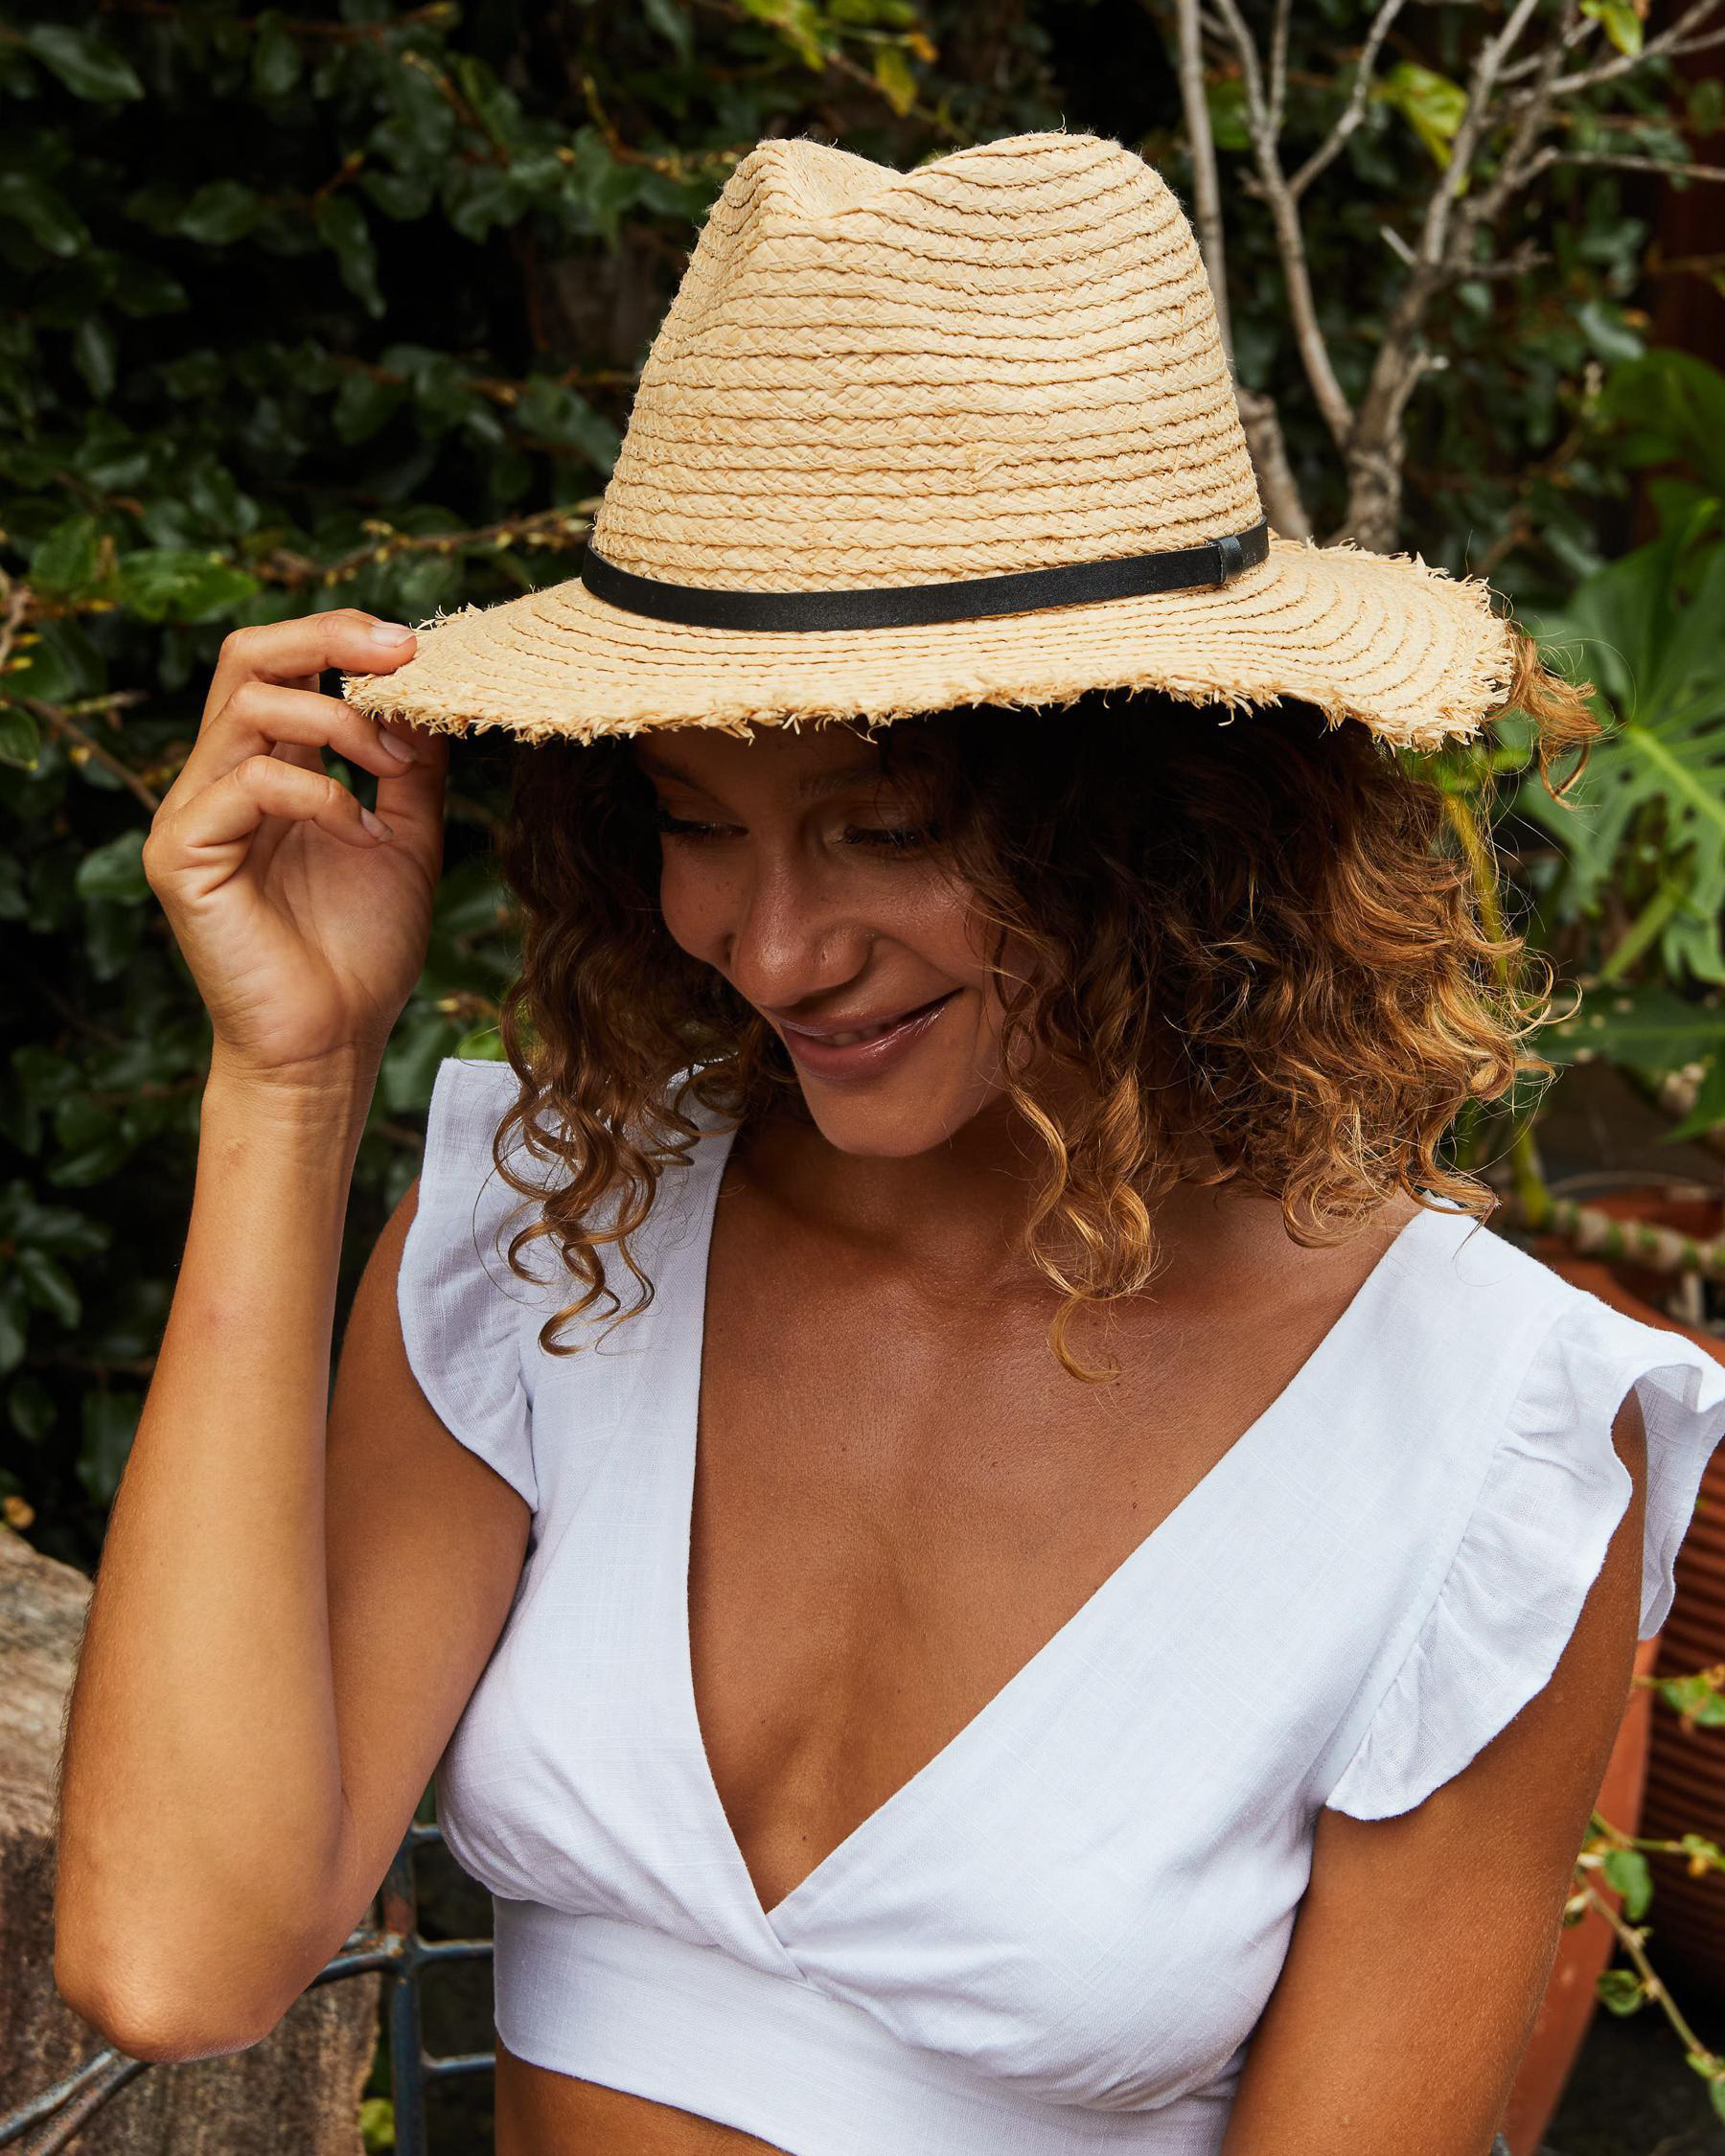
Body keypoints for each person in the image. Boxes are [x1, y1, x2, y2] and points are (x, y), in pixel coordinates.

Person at [53, 129, 1725, 2156]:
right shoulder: (559, 1239)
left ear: (1169, 812)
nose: (772, 947)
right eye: (696, 819)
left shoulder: (1484, 1441)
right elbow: (176, 1958)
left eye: (887, 827)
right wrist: (290, 1083)